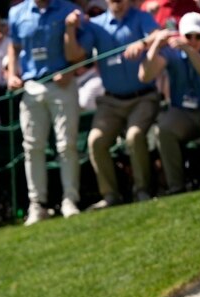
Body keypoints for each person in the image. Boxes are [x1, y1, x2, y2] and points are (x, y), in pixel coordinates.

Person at [65, 0, 161, 207]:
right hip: (111, 101)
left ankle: (142, 190)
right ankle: (110, 195)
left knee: (134, 135)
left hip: (143, 96)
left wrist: (143, 43)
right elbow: (76, 55)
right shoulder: (96, 25)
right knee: (96, 141)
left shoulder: (141, 17)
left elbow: (157, 35)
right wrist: (71, 29)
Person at [7, 0, 91, 225]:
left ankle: (69, 200)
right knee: (32, 148)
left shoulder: (68, 10)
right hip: (31, 86)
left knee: (67, 145)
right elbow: (14, 47)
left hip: (62, 84)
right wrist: (12, 74)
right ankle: (37, 205)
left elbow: (80, 54)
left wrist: (70, 71)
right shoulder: (17, 13)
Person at [140, 12, 200, 194]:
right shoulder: (170, 51)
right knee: (165, 129)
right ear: (180, 34)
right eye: (188, 36)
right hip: (184, 111)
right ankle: (176, 185)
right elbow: (145, 76)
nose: (193, 40)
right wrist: (155, 47)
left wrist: (189, 51)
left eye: (198, 36)